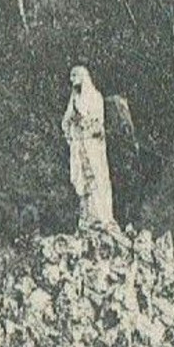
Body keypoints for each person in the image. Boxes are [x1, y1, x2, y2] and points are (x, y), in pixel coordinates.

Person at [61, 64, 114, 228]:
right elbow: (66, 121)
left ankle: (101, 216)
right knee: (82, 181)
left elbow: (96, 122)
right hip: (79, 145)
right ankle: (86, 218)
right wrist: (71, 130)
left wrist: (83, 122)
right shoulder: (75, 99)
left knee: (96, 180)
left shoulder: (95, 97)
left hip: (92, 145)